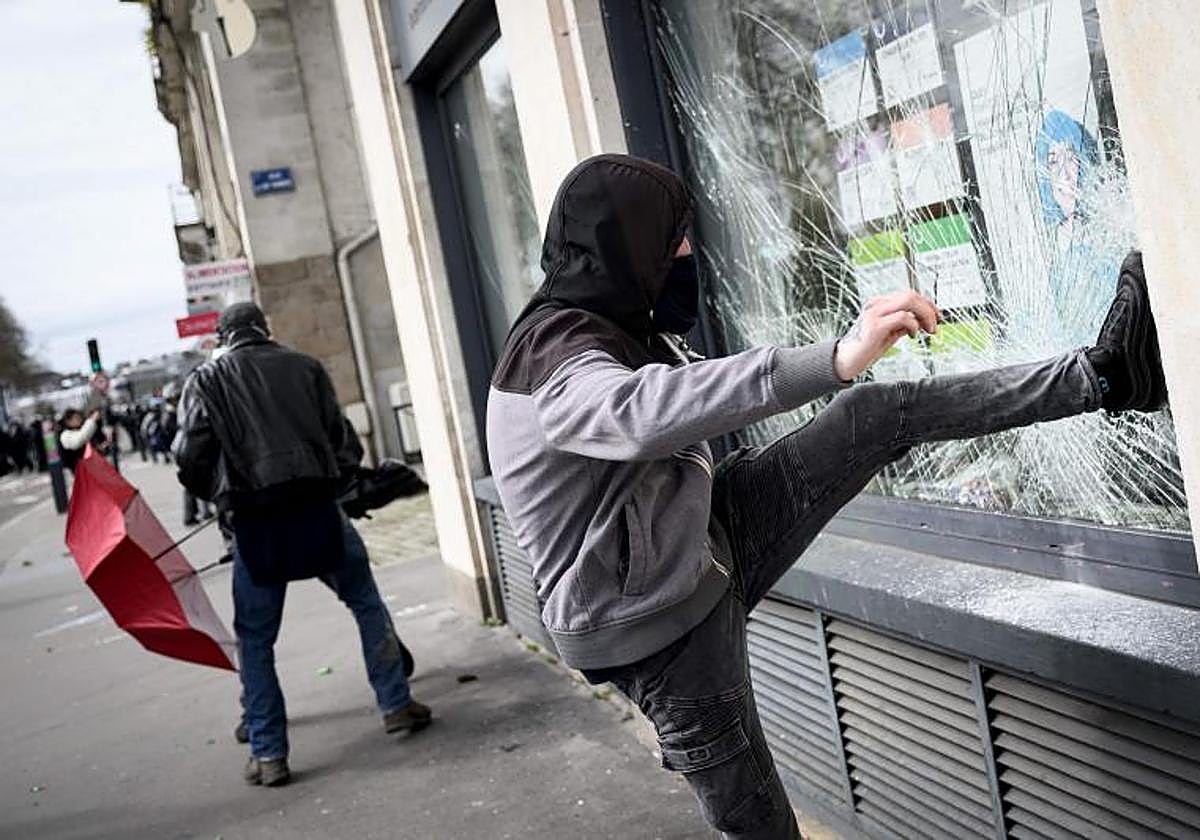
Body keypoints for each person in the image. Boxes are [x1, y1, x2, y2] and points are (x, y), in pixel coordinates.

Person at [485, 154, 1168, 839]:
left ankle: (1108, 376)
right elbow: (638, 411)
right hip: (656, 627)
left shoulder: (610, 323)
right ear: (630, 249)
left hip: (701, 536)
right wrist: (837, 356)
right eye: (675, 241)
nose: (689, 253)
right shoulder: (554, 362)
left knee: (874, 415)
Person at [174, 302, 430, 788]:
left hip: (255, 522)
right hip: (317, 511)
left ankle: (270, 754)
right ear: (265, 330)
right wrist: (330, 482)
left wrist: (225, 497)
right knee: (366, 601)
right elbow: (344, 444)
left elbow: (190, 459)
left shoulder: (204, 382)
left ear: (223, 338)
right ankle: (396, 704)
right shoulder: (305, 367)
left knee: (256, 639)